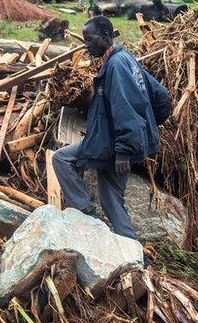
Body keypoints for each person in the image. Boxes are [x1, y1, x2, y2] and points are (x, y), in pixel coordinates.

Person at [51, 16, 171, 240]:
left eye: (90, 39)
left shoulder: (116, 66)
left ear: (106, 35)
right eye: (85, 40)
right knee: (111, 200)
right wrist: (149, 127)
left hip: (114, 146)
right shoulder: (126, 59)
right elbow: (161, 96)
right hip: (113, 142)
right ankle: (131, 248)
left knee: (61, 159)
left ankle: (85, 212)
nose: (86, 45)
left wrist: (125, 149)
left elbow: (125, 109)